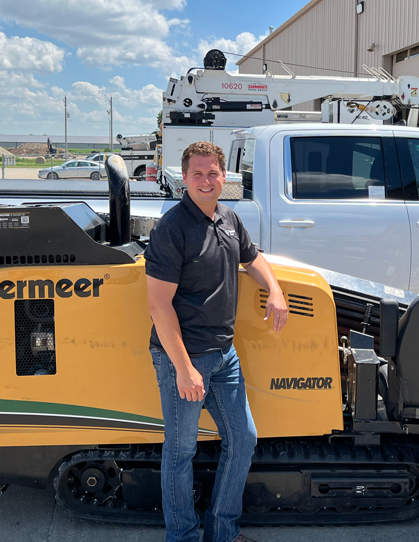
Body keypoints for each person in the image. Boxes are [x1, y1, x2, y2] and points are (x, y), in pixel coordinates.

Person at [145, 141, 288, 542]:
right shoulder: (172, 228)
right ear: (183, 179)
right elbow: (159, 306)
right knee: (180, 453)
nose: (206, 181)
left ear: (224, 177)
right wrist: (184, 368)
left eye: (213, 173)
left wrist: (274, 290)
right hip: (184, 355)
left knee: (243, 440)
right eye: (197, 174)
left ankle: (223, 531)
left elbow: (252, 257)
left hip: (224, 355)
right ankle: (184, 536)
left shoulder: (228, 218)